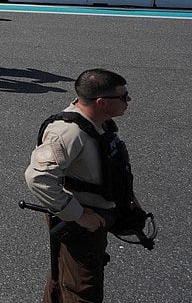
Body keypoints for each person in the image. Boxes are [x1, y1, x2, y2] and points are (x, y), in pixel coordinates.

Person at [24, 69, 145, 303]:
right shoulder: (68, 133)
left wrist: (127, 199)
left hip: (95, 213)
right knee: (83, 289)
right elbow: (37, 177)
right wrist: (78, 215)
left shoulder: (99, 122)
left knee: (64, 275)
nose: (128, 101)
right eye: (123, 97)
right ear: (101, 102)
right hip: (82, 220)